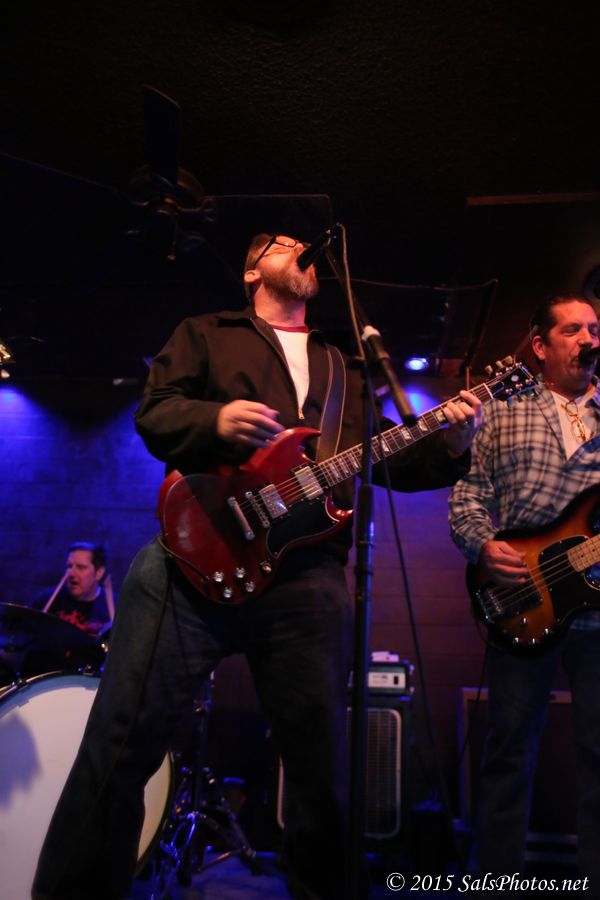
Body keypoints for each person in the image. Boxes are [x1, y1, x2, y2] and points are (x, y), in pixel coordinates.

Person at [33, 232, 482, 900]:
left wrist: (452, 445)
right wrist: (215, 421)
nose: (300, 246)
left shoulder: (344, 365)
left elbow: (388, 460)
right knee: (120, 744)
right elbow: (155, 412)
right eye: (282, 242)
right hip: (191, 557)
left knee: (321, 769)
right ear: (251, 271)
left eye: (304, 243)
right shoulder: (207, 332)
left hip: (306, 575)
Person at [449, 292, 600, 893]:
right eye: (573, 330)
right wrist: (484, 546)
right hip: (522, 598)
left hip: (597, 609)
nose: (589, 339)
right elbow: (468, 496)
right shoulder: (504, 410)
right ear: (540, 345)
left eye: (595, 329)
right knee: (508, 753)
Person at [32, 541, 114, 637]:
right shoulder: (46, 599)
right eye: (69, 566)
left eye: (81, 567)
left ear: (99, 572)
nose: (71, 573)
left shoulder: (116, 606)